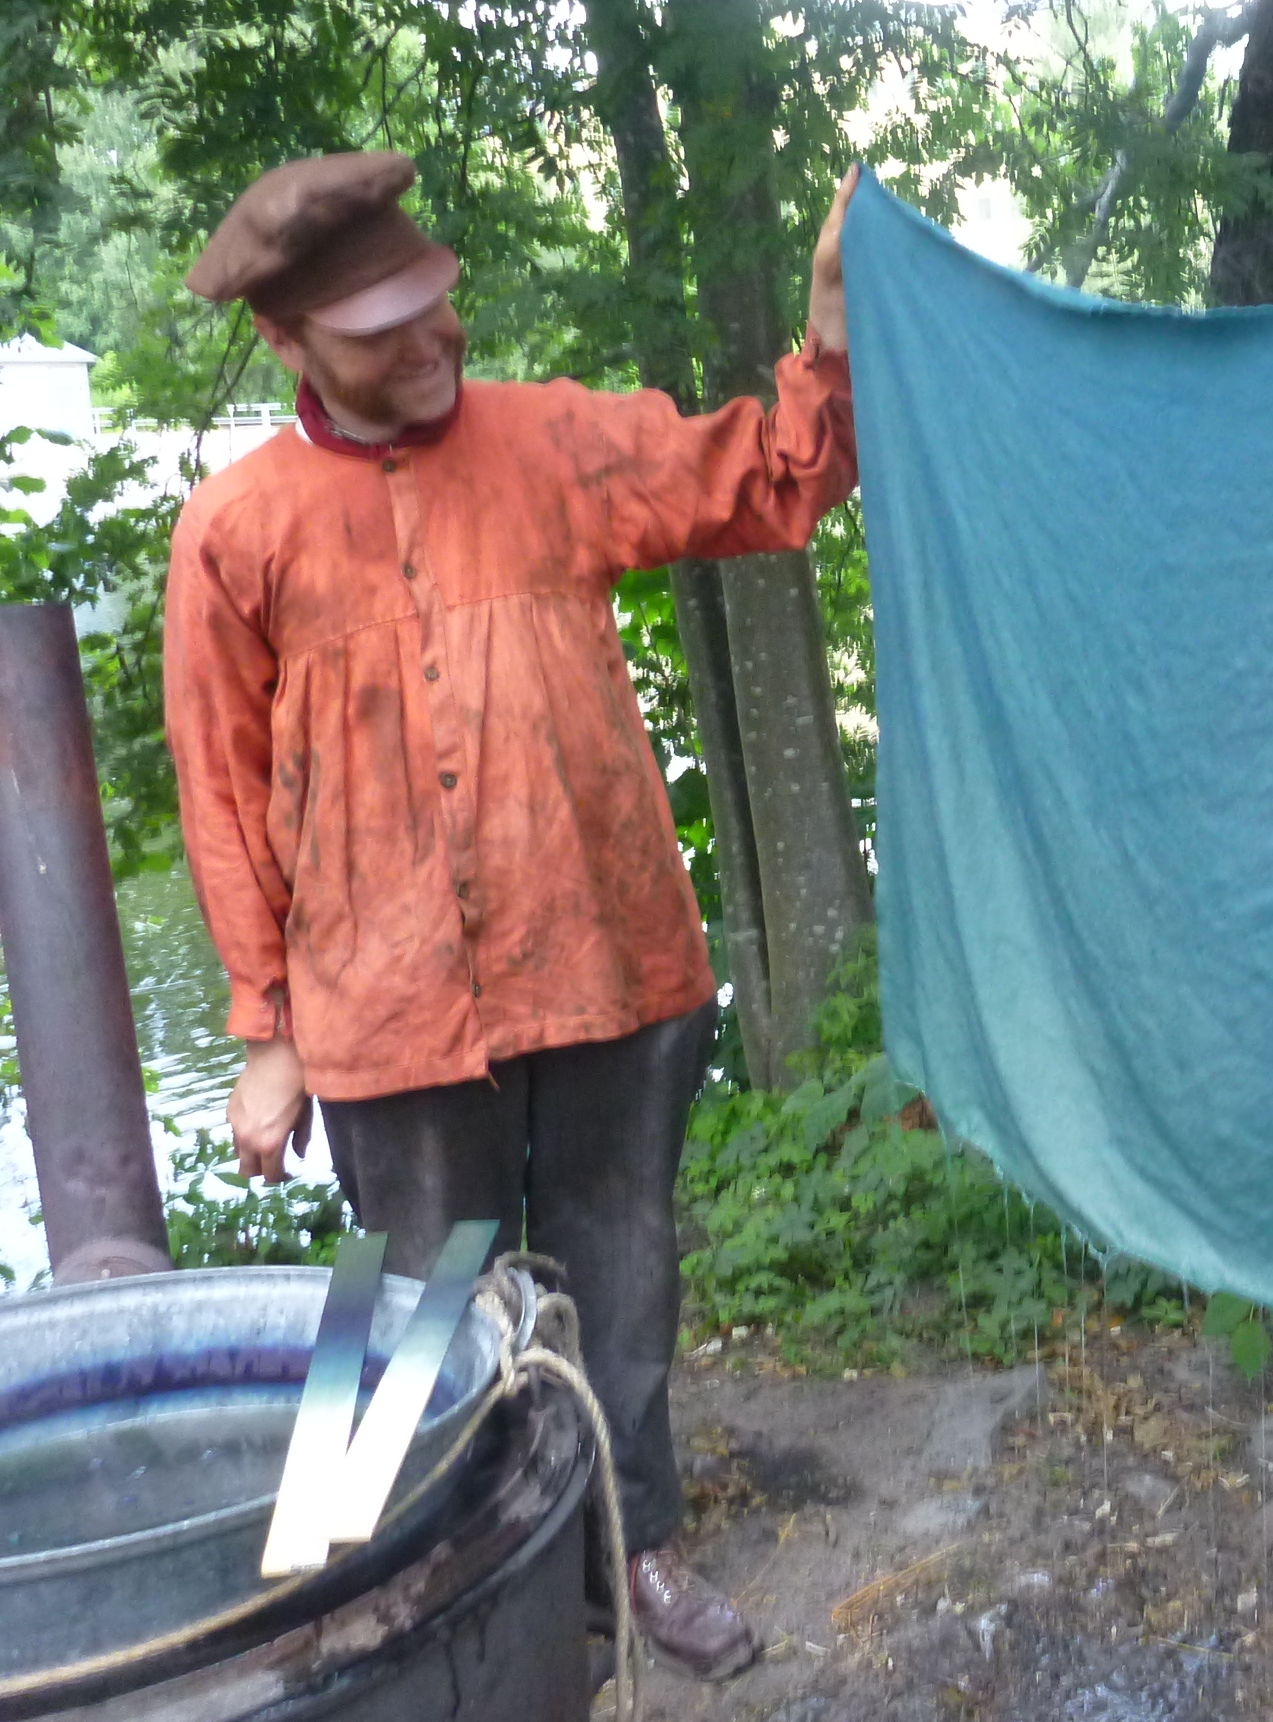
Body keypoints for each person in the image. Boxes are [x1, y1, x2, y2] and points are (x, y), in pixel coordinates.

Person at [164, 150, 864, 1681]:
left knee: (623, 1265)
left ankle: (631, 1545)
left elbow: (773, 478)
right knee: (403, 1291)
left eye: (434, 305)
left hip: (605, 952)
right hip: (384, 1002)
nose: (431, 343)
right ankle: (361, 1579)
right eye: (380, 332)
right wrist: (267, 1030)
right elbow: (218, 791)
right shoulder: (237, 529)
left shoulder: (551, 441)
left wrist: (828, 323)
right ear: (286, 340)